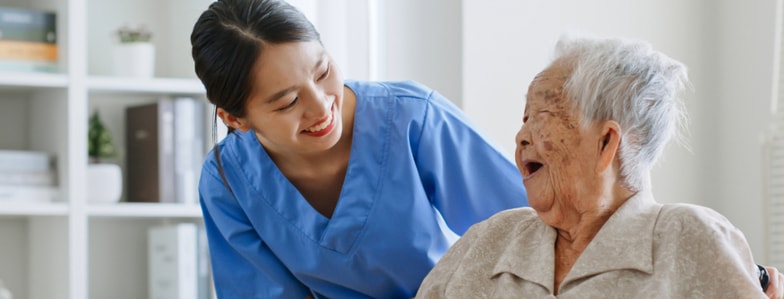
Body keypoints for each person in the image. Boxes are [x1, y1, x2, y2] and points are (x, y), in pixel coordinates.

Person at [190, 0, 528, 297]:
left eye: (322, 72)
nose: (321, 107)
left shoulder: (412, 117)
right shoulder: (226, 181)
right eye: (289, 102)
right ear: (235, 118)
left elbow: (529, 229)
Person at [416, 35, 784, 298]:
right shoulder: (487, 242)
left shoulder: (690, 239)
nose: (521, 137)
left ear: (606, 142)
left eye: (542, 115)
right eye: (523, 118)